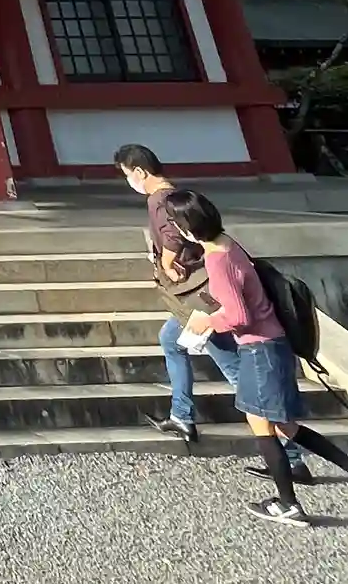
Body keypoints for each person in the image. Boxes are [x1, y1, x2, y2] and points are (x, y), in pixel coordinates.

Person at [115, 143, 310, 480]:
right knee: (171, 340)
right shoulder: (175, 197)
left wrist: (166, 262)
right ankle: (181, 415)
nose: (128, 181)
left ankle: (292, 460)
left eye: (127, 175)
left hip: (203, 300)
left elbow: (173, 238)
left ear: (139, 172)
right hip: (199, 297)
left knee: (238, 373)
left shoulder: (160, 200)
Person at [166, 187, 348, 524]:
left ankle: (288, 504)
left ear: (186, 227)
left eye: (176, 223)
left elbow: (238, 316)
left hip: (259, 349)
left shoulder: (217, 260)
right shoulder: (227, 243)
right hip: (271, 344)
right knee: (284, 425)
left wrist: (207, 322)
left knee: (263, 425)